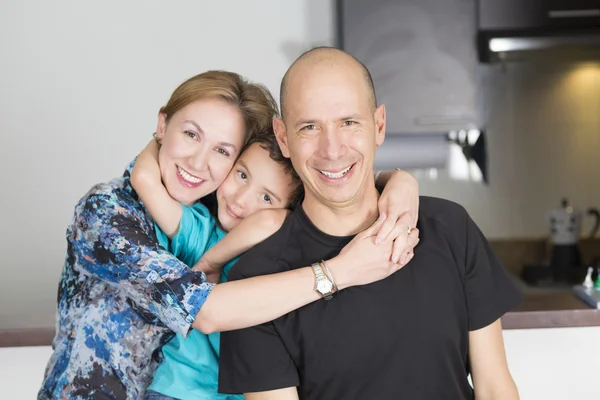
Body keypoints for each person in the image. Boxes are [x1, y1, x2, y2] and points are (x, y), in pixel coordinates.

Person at [39, 70, 420, 400]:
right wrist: (341, 271)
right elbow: (205, 309)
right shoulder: (107, 213)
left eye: (222, 150)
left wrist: (397, 181)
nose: (199, 162)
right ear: (161, 125)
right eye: (190, 134)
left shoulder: (219, 207)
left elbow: (309, 187)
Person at [218, 47, 522, 400]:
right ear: (283, 138)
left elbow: (495, 387)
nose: (332, 150)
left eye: (349, 123)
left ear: (378, 125)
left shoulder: (451, 228)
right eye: (310, 127)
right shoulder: (256, 282)